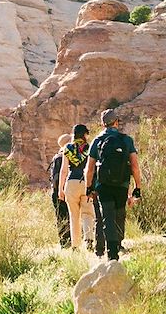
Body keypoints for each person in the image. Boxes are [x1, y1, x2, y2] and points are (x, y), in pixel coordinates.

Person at [85, 109, 141, 261]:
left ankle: (112, 255)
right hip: (122, 185)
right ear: (117, 122)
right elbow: (135, 166)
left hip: (103, 185)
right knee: (119, 215)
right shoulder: (126, 140)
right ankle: (117, 246)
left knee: (107, 217)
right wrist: (137, 187)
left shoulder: (97, 141)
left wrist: (88, 188)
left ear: (103, 124)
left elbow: (89, 169)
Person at [59, 124, 95, 250]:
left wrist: (60, 189)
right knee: (88, 213)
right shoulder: (90, 148)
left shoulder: (67, 148)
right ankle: (89, 239)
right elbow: (92, 168)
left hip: (71, 183)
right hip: (86, 182)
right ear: (85, 134)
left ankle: (75, 245)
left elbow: (63, 170)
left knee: (73, 215)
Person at [49, 133, 71, 248]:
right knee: (70, 216)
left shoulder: (56, 156)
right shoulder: (66, 156)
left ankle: (64, 242)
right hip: (65, 190)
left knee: (61, 217)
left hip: (56, 191)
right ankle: (71, 242)